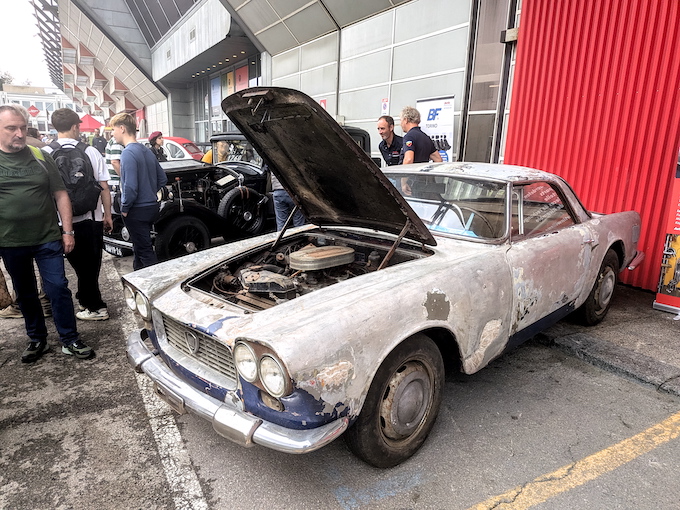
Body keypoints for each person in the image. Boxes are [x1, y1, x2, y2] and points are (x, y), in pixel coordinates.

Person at [0, 104, 95, 362]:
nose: (19, 133)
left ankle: (70, 339)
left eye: (22, 127)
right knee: (25, 292)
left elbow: (61, 194)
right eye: (11, 128)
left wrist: (68, 231)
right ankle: (37, 340)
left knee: (58, 288)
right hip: (10, 241)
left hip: (47, 237)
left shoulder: (41, 157)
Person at [44, 108, 113, 321]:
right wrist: (108, 216)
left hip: (60, 221)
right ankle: (93, 304)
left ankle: (88, 304)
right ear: (75, 126)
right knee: (91, 266)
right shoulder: (91, 152)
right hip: (91, 218)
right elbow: (104, 187)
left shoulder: (45, 153)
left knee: (70, 267)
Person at [111, 113, 167, 270]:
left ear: (122, 128)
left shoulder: (128, 153)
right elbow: (162, 178)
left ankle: (157, 287)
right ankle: (137, 281)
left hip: (136, 210)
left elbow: (130, 187)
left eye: (113, 129)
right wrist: (149, 191)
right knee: (139, 246)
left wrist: (125, 208)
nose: (112, 134)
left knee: (145, 251)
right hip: (151, 207)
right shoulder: (146, 151)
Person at [398, 106, 443, 196]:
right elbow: (439, 160)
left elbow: (408, 159)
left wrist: (403, 182)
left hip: (410, 184)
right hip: (422, 183)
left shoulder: (409, 136)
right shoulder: (426, 137)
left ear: (406, 120)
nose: (400, 123)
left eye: (401, 120)